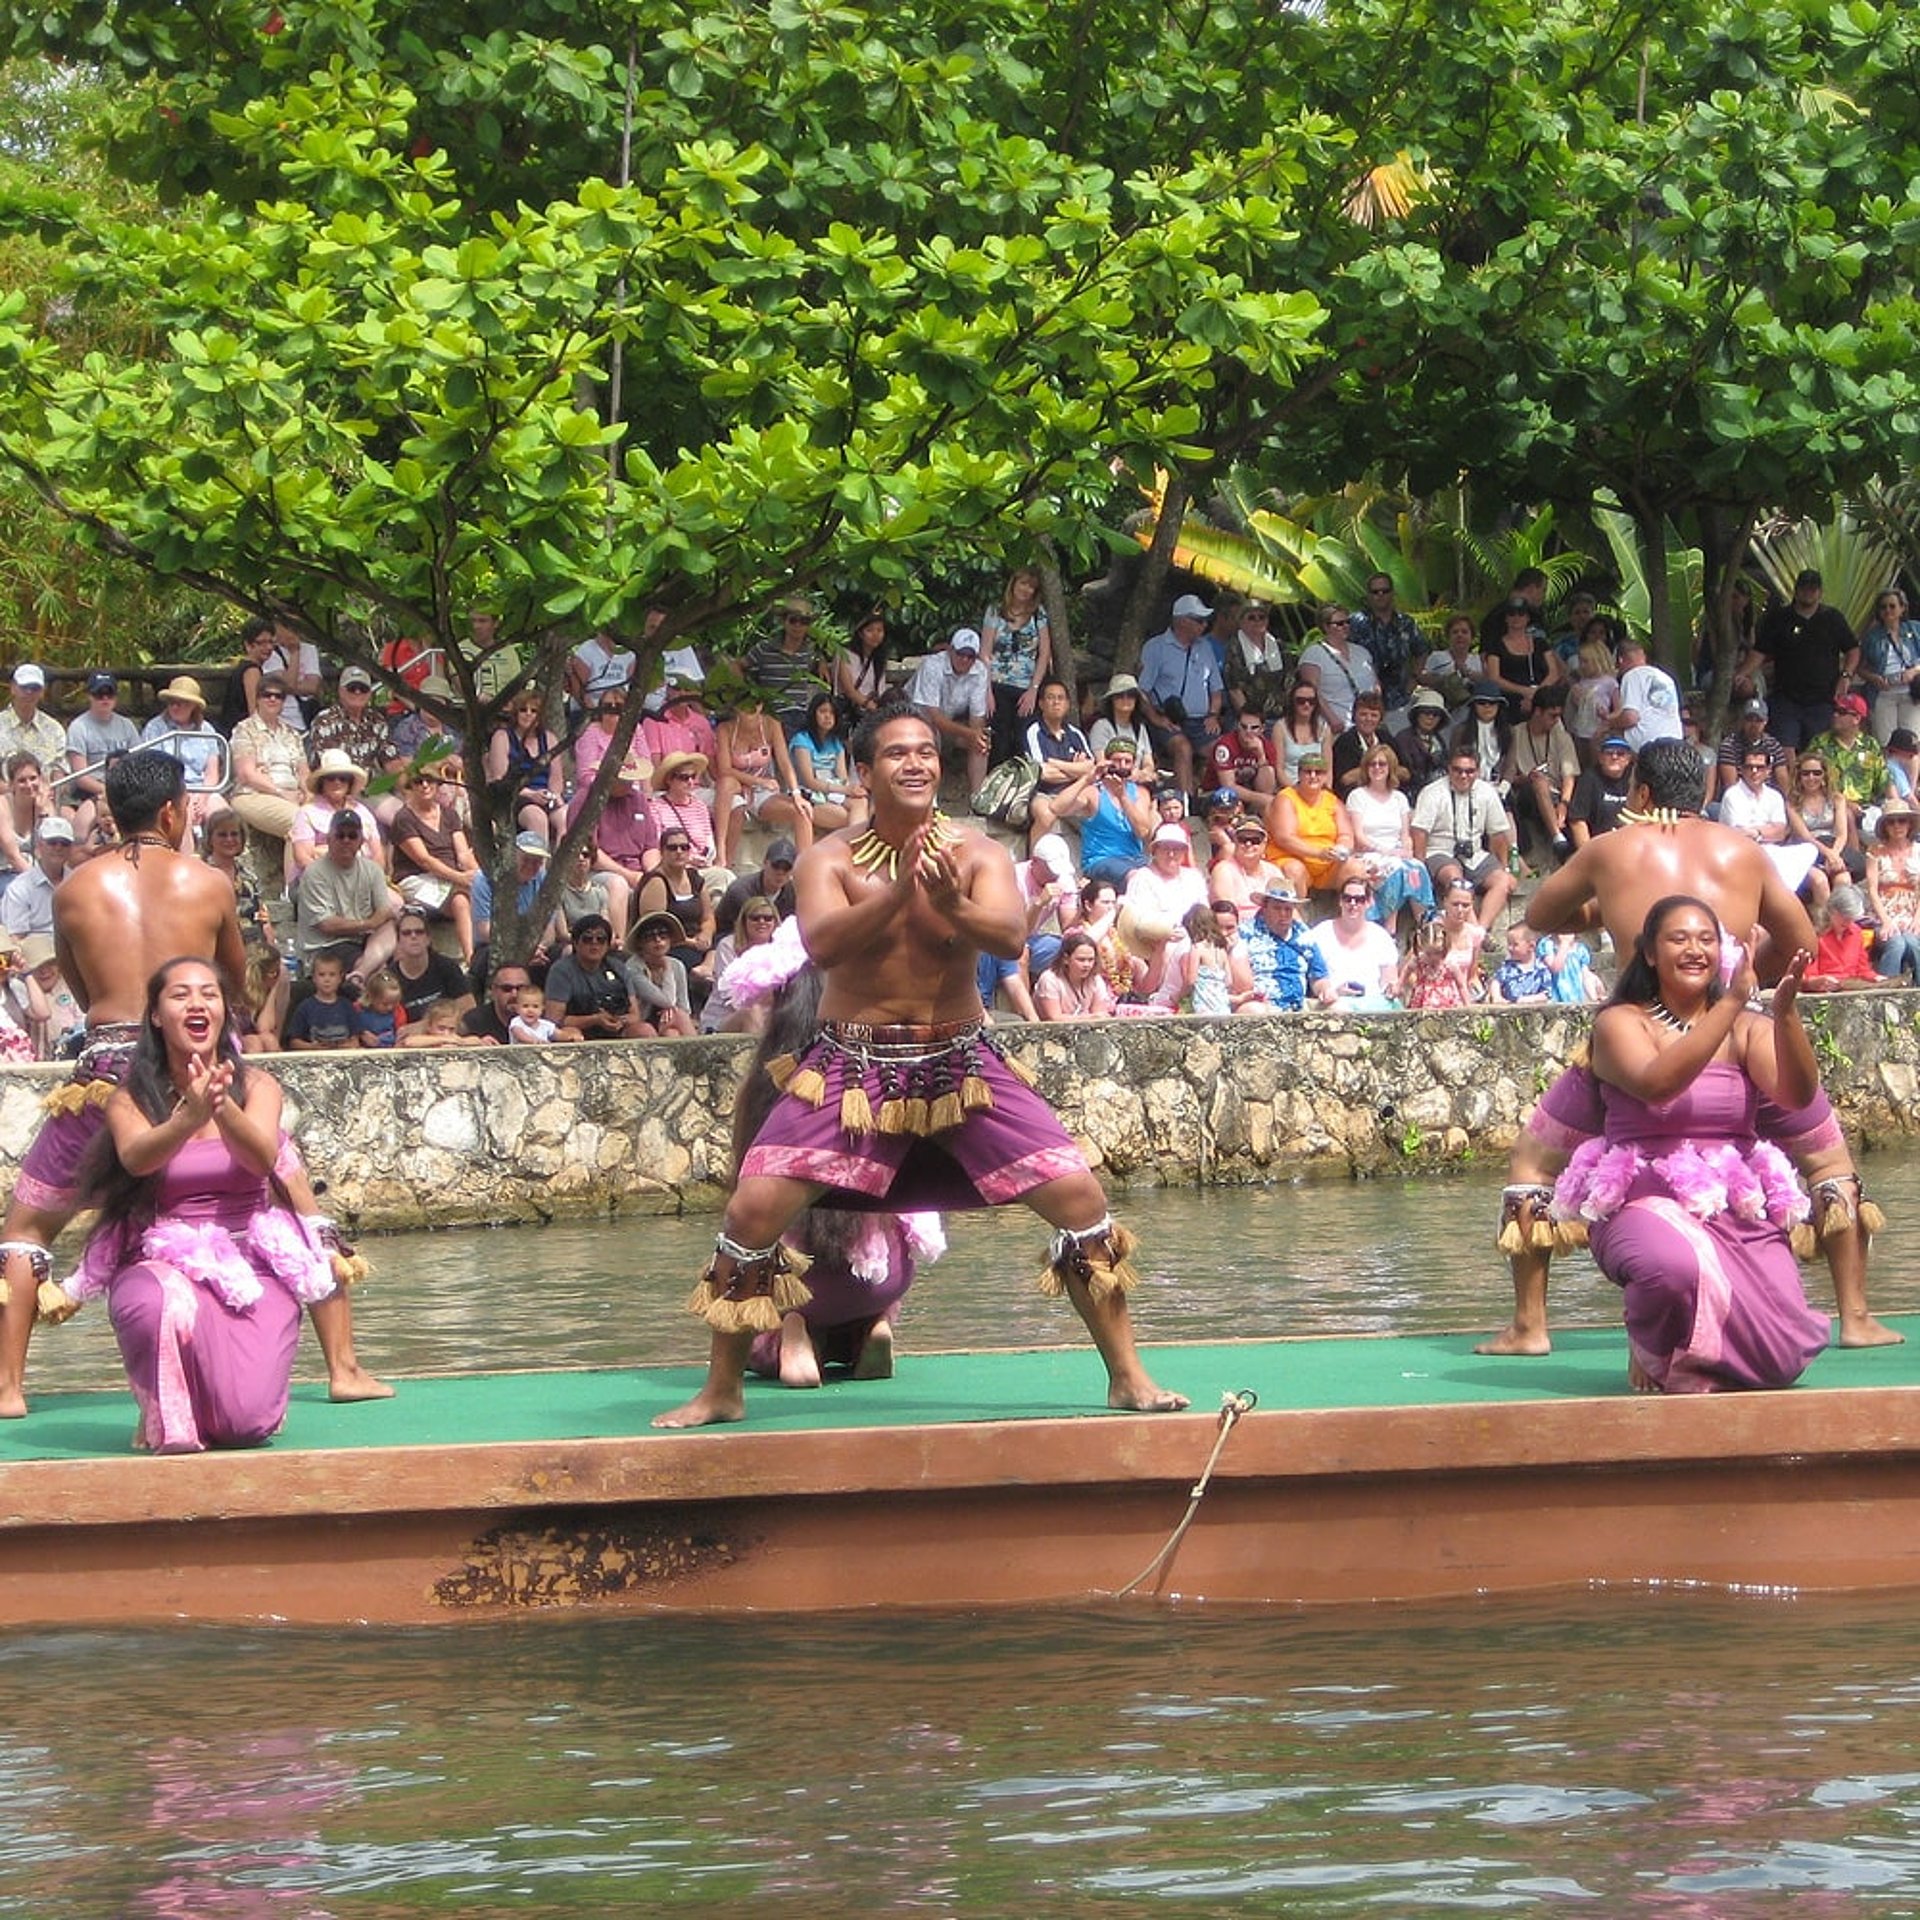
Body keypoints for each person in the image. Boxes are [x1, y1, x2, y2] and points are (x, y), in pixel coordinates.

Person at [651, 703, 1187, 1429]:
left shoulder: (976, 855)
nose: (916, 763)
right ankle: (723, 1389)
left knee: (1083, 1204)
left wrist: (948, 905)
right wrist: (905, 889)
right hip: (851, 1067)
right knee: (751, 1211)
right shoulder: (828, 860)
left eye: (927, 753)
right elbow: (826, 945)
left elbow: (1003, 935)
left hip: (961, 1062)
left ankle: (1128, 1376)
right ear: (864, 772)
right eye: (897, 753)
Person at [1482, 738, 1898, 1356]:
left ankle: (1529, 1327)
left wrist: (1609, 912)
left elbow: (1541, 913)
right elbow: (1804, 941)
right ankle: (1857, 1318)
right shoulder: (1743, 851)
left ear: (1641, 794)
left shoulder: (1609, 849)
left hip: (1639, 1033)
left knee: (1533, 1164)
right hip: (1739, 1033)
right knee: (1829, 1163)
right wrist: (1750, 978)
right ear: (1702, 793)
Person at [0, 755, 384, 1413]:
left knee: (27, 1231)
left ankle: (8, 1389)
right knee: (295, 1200)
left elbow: (81, 983)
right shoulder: (208, 884)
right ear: (175, 812)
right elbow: (234, 981)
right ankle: (344, 1369)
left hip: (104, 1075)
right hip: (199, 1070)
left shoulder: (71, 891)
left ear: (114, 813)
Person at [58, 958, 340, 1451]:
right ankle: (168, 1414)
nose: (196, 1004)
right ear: (155, 1015)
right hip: (160, 1260)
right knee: (157, 1304)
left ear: (224, 1013)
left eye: (208, 994)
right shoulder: (130, 1098)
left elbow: (260, 1159)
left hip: (252, 1263)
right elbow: (137, 1159)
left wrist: (219, 1104)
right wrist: (185, 1119)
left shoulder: (257, 1088)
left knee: (244, 1425)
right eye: (180, 994)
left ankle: (221, 1406)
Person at [1553, 896, 1827, 1393]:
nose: (1695, 949)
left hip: (1728, 1200)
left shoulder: (1745, 1028)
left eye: (1706, 939)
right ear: (1650, 954)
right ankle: (1652, 1342)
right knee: (1671, 1267)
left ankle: (1697, 1356)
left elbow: (1796, 1094)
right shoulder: (1619, 1024)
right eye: (1678, 939)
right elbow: (1659, 1084)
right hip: (1640, 1196)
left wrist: (1784, 1017)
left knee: (1782, 1356)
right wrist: (1729, 1004)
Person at [1408, 748, 1517, 929]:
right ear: (1449, 769)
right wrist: (1420, 867)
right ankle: (1471, 930)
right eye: (1457, 770)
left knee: (1503, 881)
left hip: (1475, 853)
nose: (1463, 775)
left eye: (1469, 771)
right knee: (1455, 878)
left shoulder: (1487, 792)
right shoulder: (1432, 792)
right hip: (1439, 851)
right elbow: (1419, 832)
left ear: (1478, 771)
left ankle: (1481, 931)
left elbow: (1498, 833)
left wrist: (1504, 867)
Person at [1757, 568, 1859, 749]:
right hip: (1786, 698)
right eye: (1804, 588)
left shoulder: (1832, 618)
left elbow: (1852, 649)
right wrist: (1740, 673)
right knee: (1784, 749)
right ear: (1796, 590)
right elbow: (1759, 652)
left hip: (1822, 699)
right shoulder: (1779, 617)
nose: (1808, 592)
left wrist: (1846, 676)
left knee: (1818, 751)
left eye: (1813, 589)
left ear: (1820, 592)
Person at [1137, 593, 1226, 798]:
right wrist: (1156, 718)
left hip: (1200, 721)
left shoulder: (1205, 647)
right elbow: (1142, 690)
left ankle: (1221, 800)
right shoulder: (1156, 648)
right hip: (1168, 718)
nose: (1204, 625)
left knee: (1221, 749)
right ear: (1182, 621)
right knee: (1182, 747)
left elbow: (1216, 689)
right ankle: (1187, 804)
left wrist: (1213, 714)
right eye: (1199, 620)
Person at [713, 694, 815, 869]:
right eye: (746, 705)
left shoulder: (771, 724)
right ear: (736, 708)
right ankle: (721, 853)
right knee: (726, 784)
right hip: (738, 783)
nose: (752, 709)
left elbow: (784, 762)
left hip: (763, 792)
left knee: (802, 811)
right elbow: (725, 769)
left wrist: (796, 793)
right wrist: (758, 781)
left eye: (756, 703)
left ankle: (805, 869)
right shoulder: (725, 729)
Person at [980, 566, 1054, 768]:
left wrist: (1034, 689)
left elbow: (1044, 653)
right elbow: (985, 652)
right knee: (999, 739)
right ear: (1013, 584)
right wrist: (986, 691)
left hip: (1026, 686)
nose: (1026, 590)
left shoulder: (1038, 614)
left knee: (1024, 739)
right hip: (997, 683)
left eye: (1031, 587)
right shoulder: (995, 610)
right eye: (1023, 584)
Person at [906, 627, 993, 794]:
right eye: (960, 654)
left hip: (948, 722)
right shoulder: (932, 665)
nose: (965, 660)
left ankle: (977, 800)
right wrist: (970, 733)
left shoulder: (980, 671)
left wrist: (977, 736)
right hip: (916, 721)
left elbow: (977, 716)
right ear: (950, 650)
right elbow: (935, 717)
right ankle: (930, 800)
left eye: (970, 656)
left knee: (981, 744)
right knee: (930, 739)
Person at [485, 687, 569, 845]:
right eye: (523, 710)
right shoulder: (502, 737)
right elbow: (499, 780)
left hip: (545, 796)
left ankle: (562, 865)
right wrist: (530, 794)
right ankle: (541, 868)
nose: (528, 714)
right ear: (516, 713)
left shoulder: (549, 739)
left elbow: (556, 781)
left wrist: (554, 797)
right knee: (537, 818)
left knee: (566, 817)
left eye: (534, 710)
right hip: (514, 797)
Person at [138, 675, 225, 829]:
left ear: (193, 706)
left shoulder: (207, 730)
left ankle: (217, 853)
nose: (175, 707)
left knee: (223, 818)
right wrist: (182, 795)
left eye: (181, 703)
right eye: (172, 702)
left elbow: (212, 771)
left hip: (202, 789)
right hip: (169, 792)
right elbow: (151, 769)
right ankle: (187, 853)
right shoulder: (155, 728)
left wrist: (203, 798)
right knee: (183, 820)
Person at [543, 913, 648, 1039]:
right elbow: (554, 1020)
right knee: (571, 1035)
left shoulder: (619, 968)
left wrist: (620, 1020)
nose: (594, 943)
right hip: (579, 1031)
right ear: (575, 943)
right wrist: (595, 1019)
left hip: (618, 1028)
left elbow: (635, 1015)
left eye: (601, 939)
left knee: (644, 1030)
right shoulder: (561, 971)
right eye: (587, 939)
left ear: (608, 944)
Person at [1237, 879, 1334, 1012]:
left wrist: (1325, 990)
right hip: (1263, 1005)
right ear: (1264, 906)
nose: (1283, 914)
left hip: (1299, 1006)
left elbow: (1318, 976)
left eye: (1288, 909)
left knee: (1337, 1008)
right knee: (1252, 1010)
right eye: (1277, 908)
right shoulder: (1245, 933)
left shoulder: (1303, 934)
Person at [1307, 879, 1401, 1010]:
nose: (1352, 904)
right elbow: (1314, 978)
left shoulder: (1381, 937)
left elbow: (1389, 981)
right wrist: (1334, 992)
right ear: (1340, 901)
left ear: (1368, 903)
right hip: (1334, 1006)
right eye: (1347, 898)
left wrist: (1391, 989)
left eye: (1359, 899)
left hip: (1373, 1007)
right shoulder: (1320, 933)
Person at [1866, 797, 1920, 983]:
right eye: (1891, 821)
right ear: (1885, 826)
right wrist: (1886, 921)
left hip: (1914, 913)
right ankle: (1885, 995)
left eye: (1902, 820)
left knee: (1913, 942)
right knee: (1897, 943)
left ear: (1910, 823)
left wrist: (1917, 920)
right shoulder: (1875, 852)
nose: (1897, 825)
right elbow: (1872, 890)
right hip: (1883, 913)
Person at [625, 910, 699, 1036]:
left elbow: (684, 1007)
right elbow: (666, 1001)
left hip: (669, 1020)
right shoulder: (633, 967)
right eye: (650, 936)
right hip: (640, 1022)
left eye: (663, 934)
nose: (658, 940)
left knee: (673, 1033)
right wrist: (667, 968)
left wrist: (671, 1012)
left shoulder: (677, 965)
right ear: (640, 942)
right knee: (676, 1017)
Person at [1861, 587, 1920, 744]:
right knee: (1885, 741)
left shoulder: (1915, 629)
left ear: (1902, 608)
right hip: (1883, 693)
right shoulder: (1872, 636)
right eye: (1883, 607)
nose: (1888, 610)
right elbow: (1861, 668)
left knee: (1911, 741)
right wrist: (1873, 678)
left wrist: (1914, 671)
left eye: (1892, 606)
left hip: (1911, 692)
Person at [1804, 886, 1881, 992]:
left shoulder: (1856, 932)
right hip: (1824, 992)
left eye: (1851, 918)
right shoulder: (1816, 935)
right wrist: (1816, 982)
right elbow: (1808, 977)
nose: (1848, 921)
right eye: (1844, 916)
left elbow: (1863, 969)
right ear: (1832, 911)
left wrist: (1877, 978)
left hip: (1851, 989)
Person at [1035, 930, 1119, 1022]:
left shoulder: (1096, 980)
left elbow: (1099, 1014)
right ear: (1066, 959)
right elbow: (1054, 1018)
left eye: (1090, 960)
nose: (1087, 965)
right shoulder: (1050, 979)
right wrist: (1090, 1018)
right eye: (1081, 960)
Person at [287, 952, 359, 1050]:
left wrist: (351, 1045)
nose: (327, 980)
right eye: (322, 975)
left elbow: (355, 1039)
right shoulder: (305, 1007)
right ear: (314, 978)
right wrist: (311, 1047)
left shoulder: (347, 1006)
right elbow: (293, 1042)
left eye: (332, 975)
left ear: (340, 978)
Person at [353, 968, 404, 1047]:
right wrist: (361, 1033)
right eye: (385, 1004)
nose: (390, 1007)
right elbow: (350, 1024)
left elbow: (401, 1032)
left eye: (394, 1003)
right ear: (371, 998)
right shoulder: (358, 1009)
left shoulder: (398, 1011)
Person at [509, 979, 562, 1044]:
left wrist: (571, 1035)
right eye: (525, 1006)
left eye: (535, 1006)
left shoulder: (545, 1025)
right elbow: (520, 1035)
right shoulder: (517, 1022)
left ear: (542, 1008)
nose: (530, 1010)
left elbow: (560, 1034)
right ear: (517, 1009)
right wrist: (535, 1041)